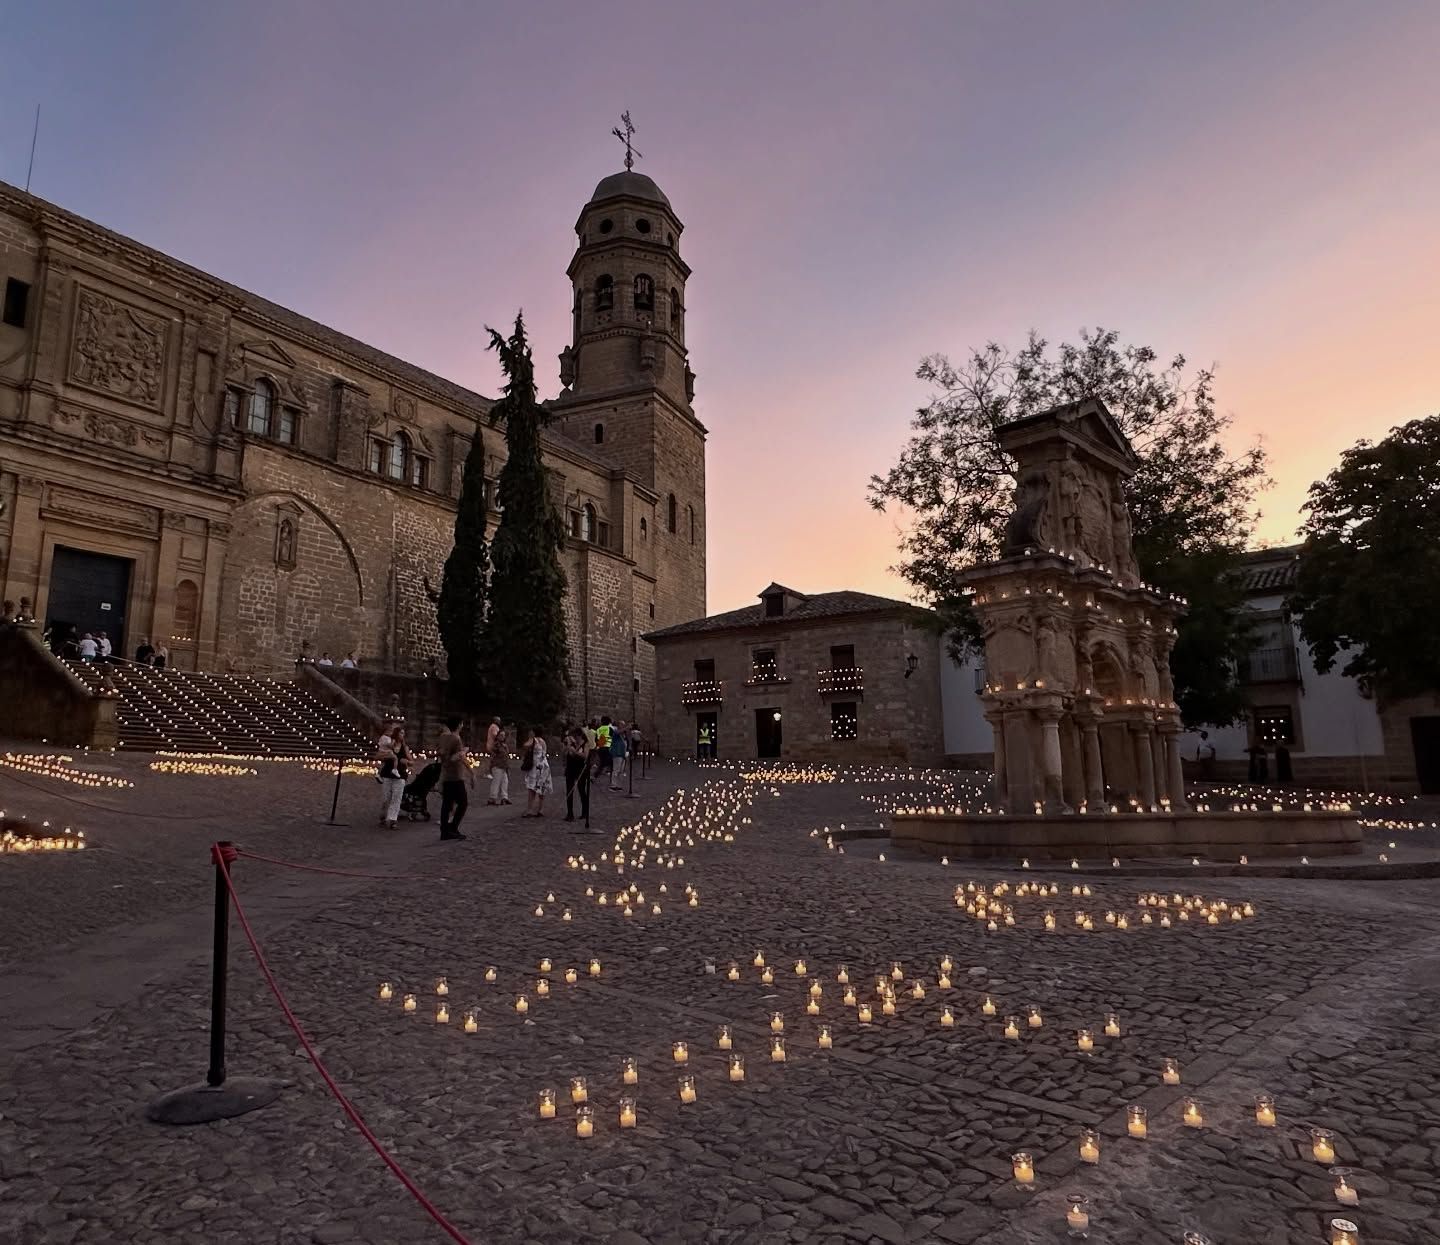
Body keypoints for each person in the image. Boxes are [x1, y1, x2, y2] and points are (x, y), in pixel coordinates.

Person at [436, 715, 472, 841]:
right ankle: (453, 828)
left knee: (446, 804)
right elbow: (455, 758)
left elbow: (441, 753)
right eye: (461, 724)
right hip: (455, 776)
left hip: (446, 775)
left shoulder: (443, 737)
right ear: (458, 725)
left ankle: (445, 831)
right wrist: (463, 753)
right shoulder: (456, 739)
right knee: (463, 803)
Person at [376, 723, 410, 830]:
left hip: (400, 776)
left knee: (397, 798)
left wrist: (406, 762)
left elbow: (411, 761)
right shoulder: (389, 745)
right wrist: (386, 756)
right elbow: (377, 755)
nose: (402, 735)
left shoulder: (405, 748)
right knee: (386, 798)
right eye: (401, 732)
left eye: (404, 733)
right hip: (387, 774)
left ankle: (392, 820)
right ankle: (383, 814)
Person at [563, 723, 592, 824]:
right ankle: (570, 813)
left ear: (579, 736)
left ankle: (585, 811)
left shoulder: (585, 744)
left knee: (581, 790)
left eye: (575, 736)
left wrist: (575, 752)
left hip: (581, 770)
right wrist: (568, 747)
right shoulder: (572, 744)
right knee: (569, 790)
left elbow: (585, 756)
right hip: (570, 769)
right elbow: (567, 754)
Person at [523, 726, 552, 818]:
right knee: (541, 787)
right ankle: (541, 809)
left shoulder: (534, 740)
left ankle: (530, 809)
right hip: (544, 765)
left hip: (536, 766)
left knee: (532, 788)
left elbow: (525, 745)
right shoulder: (543, 741)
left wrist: (530, 738)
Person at [487, 725, 511, 805]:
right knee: (496, 782)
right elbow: (493, 755)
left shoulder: (505, 746)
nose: (502, 737)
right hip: (497, 766)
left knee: (505, 782)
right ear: (497, 736)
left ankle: (504, 797)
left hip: (504, 766)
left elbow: (506, 756)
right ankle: (492, 798)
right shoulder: (496, 745)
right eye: (501, 735)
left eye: (504, 736)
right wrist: (491, 766)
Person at [609, 717, 629, 789]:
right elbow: (618, 732)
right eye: (622, 725)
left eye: (624, 725)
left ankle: (619, 785)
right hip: (617, 753)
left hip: (622, 753)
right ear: (618, 725)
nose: (623, 726)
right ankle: (613, 785)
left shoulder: (623, 735)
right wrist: (626, 728)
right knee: (616, 769)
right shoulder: (615, 731)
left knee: (621, 770)